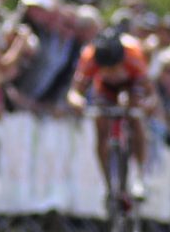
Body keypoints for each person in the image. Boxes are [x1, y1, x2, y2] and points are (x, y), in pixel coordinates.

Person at [66, 29, 158, 202]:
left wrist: (147, 106)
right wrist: (78, 102)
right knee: (101, 127)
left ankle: (139, 176)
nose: (112, 72)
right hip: (104, 88)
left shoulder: (134, 55)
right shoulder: (89, 56)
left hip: (131, 84)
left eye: (115, 67)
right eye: (106, 68)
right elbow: (74, 92)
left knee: (135, 118)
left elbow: (152, 95)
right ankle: (108, 185)